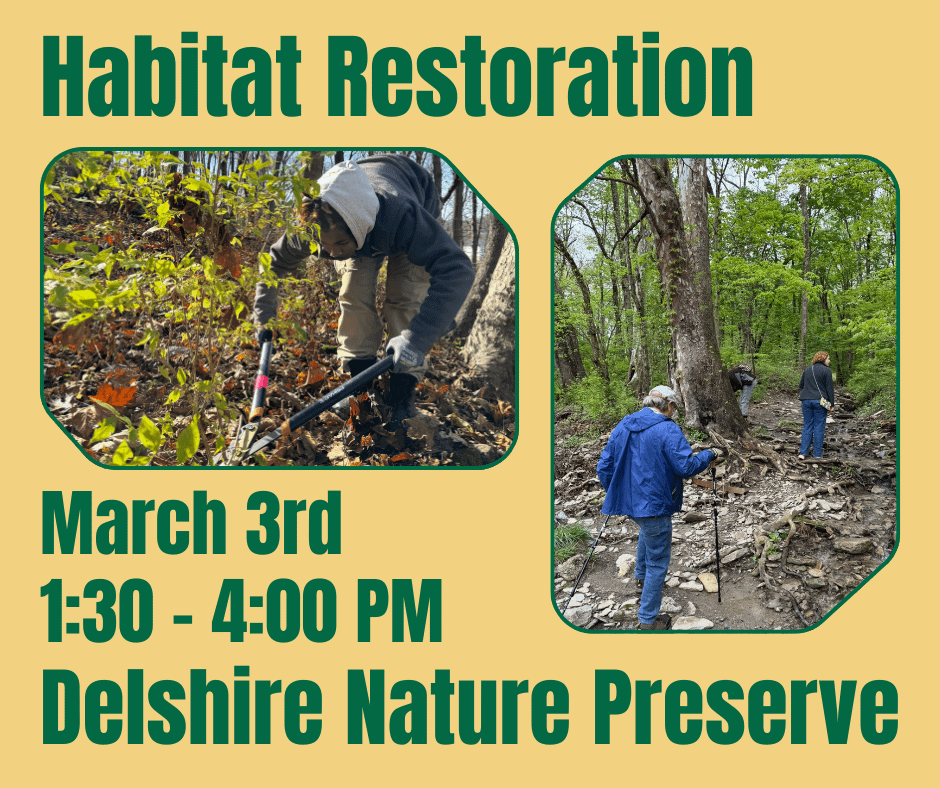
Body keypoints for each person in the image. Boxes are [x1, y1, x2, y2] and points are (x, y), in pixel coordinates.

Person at [253, 154, 475, 424]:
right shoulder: (313, 227)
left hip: (411, 194)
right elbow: (273, 263)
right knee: (352, 293)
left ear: (360, 226)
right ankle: (360, 391)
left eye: (339, 243)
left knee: (405, 295)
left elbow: (458, 268)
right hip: (358, 214)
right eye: (325, 247)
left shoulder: (403, 217)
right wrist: (264, 316)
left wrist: (416, 339)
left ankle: (401, 395)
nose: (332, 253)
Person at [596, 386, 716, 630]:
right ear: (668, 405)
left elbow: (604, 466)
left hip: (631, 504)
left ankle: (640, 579)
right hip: (655, 505)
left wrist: (617, 493)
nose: (674, 413)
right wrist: (709, 454)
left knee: (646, 532)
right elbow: (685, 467)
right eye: (674, 408)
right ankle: (648, 619)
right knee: (658, 561)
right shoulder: (667, 428)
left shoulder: (624, 424)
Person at [798, 351, 835, 459]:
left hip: (806, 400)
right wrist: (831, 405)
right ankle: (817, 455)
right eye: (828, 359)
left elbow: (801, 385)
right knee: (819, 427)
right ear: (823, 359)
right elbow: (830, 389)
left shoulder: (808, 369)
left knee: (807, 425)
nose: (829, 361)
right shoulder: (827, 371)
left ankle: (803, 453)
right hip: (820, 401)